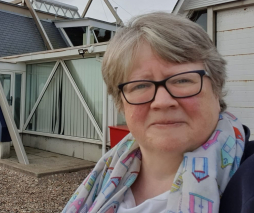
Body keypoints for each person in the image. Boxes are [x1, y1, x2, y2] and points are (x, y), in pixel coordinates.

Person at [62, 12, 254, 213]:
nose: (162, 102)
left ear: (216, 88)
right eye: (140, 85)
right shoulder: (104, 179)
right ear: (121, 103)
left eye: (182, 80)